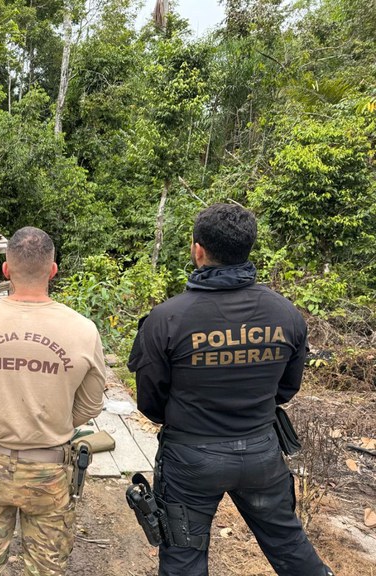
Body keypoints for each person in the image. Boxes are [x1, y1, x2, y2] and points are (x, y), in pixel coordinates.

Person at [128, 203, 334, 576]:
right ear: (247, 249)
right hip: (261, 452)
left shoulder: (166, 319)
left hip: (191, 459)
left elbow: (150, 399)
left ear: (198, 249)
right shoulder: (285, 314)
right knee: (290, 546)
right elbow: (287, 389)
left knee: (183, 558)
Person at [0, 226, 106, 576]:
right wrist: (55, 417)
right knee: (46, 569)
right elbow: (91, 404)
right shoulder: (83, 329)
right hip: (50, 470)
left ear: (5, 270)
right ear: (53, 270)